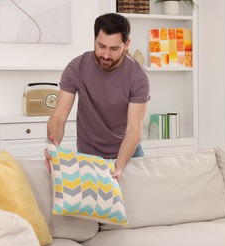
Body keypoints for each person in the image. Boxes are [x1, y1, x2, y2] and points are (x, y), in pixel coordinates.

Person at [45, 13, 150, 181]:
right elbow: (59, 117)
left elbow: (133, 130)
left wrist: (119, 167)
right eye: (101, 46)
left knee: (134, 207)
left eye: (114, 48)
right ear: (94, 39)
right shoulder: (76, 68)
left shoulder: (139, 78)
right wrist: (53, 145)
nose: (106, 55)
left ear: (126, 44)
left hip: (128, 156)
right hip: (88, 157)